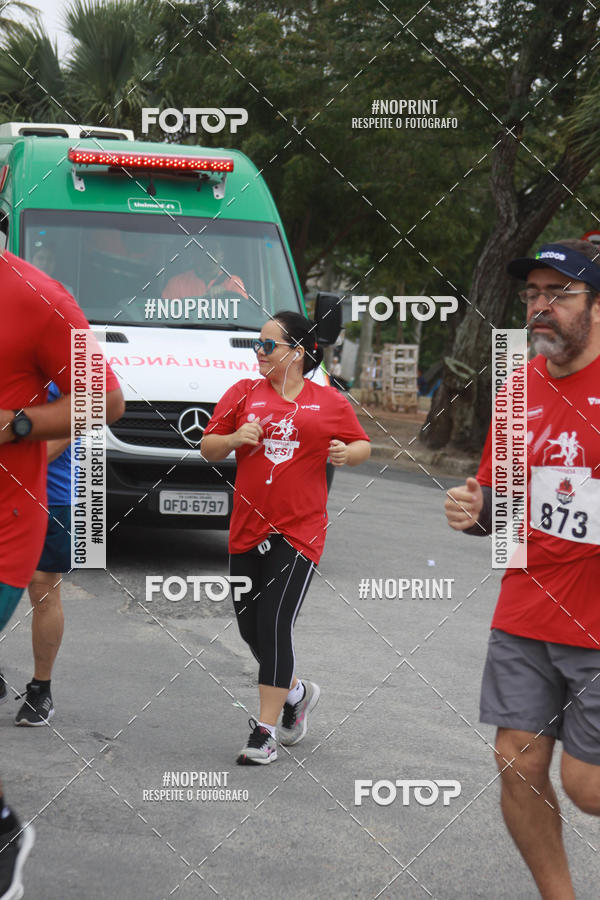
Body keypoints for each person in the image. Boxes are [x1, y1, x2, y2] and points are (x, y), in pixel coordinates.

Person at [444, 238, 600, 899]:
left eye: (558, 294)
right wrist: (476, 509)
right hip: (527, 607)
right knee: (517, 760)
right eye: (533, 294)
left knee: (587, 787)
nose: (541, 306)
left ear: (596, 306)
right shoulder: (517, 389)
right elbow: (500, 505)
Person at [0, 248, 124, 899]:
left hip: (40, 499)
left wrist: (17, 431)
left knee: (45, 591)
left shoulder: (40, 304)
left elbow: (99, 405)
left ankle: (41, 687)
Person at [201, 311, 370, 765]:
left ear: (296, 353)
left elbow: (362, 444)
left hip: (299, 531)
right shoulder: (243, 393)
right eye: (256, 344)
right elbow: (208, 446)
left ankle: (265, 733)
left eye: (267, 345)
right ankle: (297, 693)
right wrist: (235, 437)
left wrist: (347, 452)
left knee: (275, 624)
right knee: (250, 628)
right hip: (246, 529)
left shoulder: (329, 401)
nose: (257, 351)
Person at [13, 383, 72, 726]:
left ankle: (40, 690)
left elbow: (74, 422)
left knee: (42, 589)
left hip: (50, 495)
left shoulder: (62, 366)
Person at [162, 238, 248, 299]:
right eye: (204, 250)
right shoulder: (177, 283)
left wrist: (227, 295)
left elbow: (244, 313)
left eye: (213, 249)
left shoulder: (233, 282)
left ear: (222, 255)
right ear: (195, 255)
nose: (209, 254)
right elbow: (165, 314)